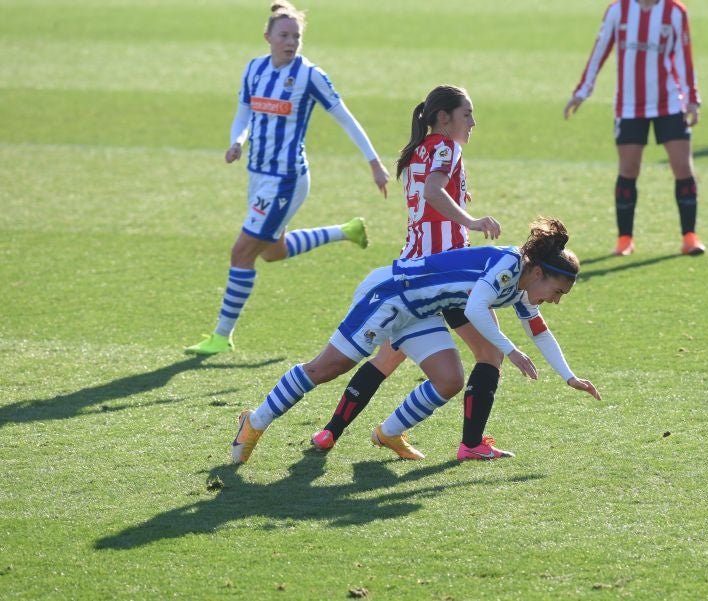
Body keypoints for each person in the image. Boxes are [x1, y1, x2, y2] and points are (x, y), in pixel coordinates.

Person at [231, 218, 602, 464]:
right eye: (556, 291)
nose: (555, 300)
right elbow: (474, 310)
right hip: (391, 294)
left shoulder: (522, 286)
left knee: (449, 380)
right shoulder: (508, 267)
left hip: (419, 310)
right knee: (328, 367)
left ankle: (388, 433)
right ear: (538, 273)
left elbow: (539, 330)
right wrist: (511, 351)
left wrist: (569, 376)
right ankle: (255, 420)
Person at [307, 85, 513, 461]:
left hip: (409, 271)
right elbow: (435, 192)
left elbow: (430, 197)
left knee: (387, 358)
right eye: (467, 114)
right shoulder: (448, 148)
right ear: (443, 118)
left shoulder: (417, 150)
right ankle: (469, 444)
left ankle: (330, 433)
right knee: (490, 354)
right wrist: (472, 220)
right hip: (446, 275)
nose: (473, 122)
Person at [186, 1, 391, 355]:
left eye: (296, 36)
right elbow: (244, 114)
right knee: (272, 252)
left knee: (242, 252)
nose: (291, 41)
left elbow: (345, 118)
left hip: (286, 179)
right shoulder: (254, 70)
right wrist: (237, 141)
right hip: (257, 175)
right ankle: (346, 231)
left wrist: (374, 162)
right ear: (267, 36)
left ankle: (221, 336)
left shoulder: (310, 75)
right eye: (284, 35)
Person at [564, 0, 705, 258]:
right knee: (628, 170)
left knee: (683, 167)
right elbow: (600, 50)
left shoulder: (675, 11)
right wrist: (581, 92)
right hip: (629, 106)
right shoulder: (618, 10)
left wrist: (692, 99)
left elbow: (685, 56)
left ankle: (689, 237)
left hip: (670, 103)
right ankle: (625, 239)